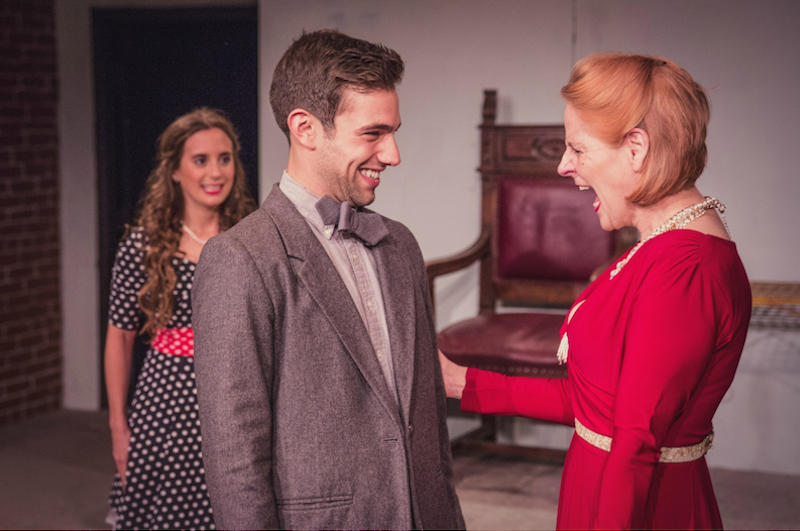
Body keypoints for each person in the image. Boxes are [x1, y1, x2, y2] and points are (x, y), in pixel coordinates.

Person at [440, 52, 752, 530]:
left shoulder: (686, 270)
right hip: (602, 483)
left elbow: (634, 443)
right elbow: (597, 407)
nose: (565, 166)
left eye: (578, 149)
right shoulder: (658, 252)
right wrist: (462, 382)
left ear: (636, 148)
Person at [191, 29, 464, 530]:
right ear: (306, 128)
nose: (393, 154)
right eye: (372, 133)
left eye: (394, 132)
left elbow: (429, 423)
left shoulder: (400, 245)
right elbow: (235, 460)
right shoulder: (240, 259)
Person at [104, 108, 256, 530]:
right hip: (166, 401)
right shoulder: (143, 245)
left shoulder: (249, 237)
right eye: (201, 159)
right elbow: (119, 338)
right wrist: (119, 425)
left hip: (234, 393)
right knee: (168, 513)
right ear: (174, 170)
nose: (216, 172)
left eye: (225, 158)